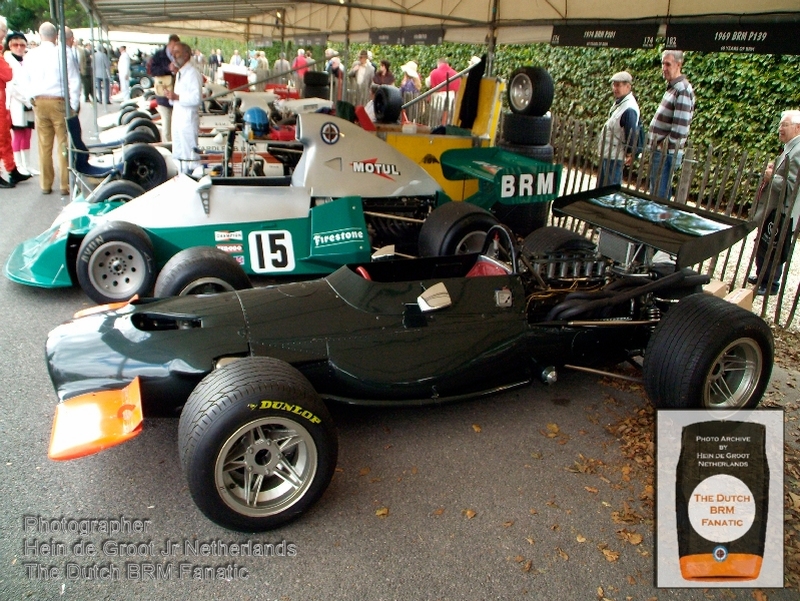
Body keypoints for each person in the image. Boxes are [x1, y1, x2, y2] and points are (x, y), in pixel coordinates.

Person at [25, 21, 80, 195]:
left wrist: (30, 100)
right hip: (59, 101)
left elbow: (25, 81)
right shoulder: (64, 53)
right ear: (56, 36)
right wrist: (74, 104)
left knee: (44, 145)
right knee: (63, 144)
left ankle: (46, 184)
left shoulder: (30, 55)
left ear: (40, 36)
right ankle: (65, 184)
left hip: (40, 102)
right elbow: (74, 80)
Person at [750, 110, 800, 296]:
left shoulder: (798, 149)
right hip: (775, 206)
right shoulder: (791, 146)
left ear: (797, 127)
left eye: (784, 125)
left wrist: (773, 178)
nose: (780, 128)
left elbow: (794, 186)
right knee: (765, 240)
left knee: (775, 243)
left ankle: (771, 283)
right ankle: (762, 276)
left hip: (784, 208)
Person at [646, 49, 695, 199]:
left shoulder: (682, 89)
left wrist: (667, 148)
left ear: (679, 64)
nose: (664, 68)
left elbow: (680, 128)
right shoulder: (673, 87)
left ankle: (657, 223)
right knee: (656, 192)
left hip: (665, 153)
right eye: (663, 64)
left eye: (668, 64)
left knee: (659, 197)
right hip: (660, 151)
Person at [165, 42, 203, 175]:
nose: (173, 56)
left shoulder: (193, 73)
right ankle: (182, 177)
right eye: (172, 53)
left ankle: (192, 179)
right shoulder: (180, 73)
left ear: (186, 55)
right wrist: (171, 96)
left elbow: (196, 98)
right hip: (178, 119)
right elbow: (177, 99)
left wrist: (176, 97)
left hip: (187, 121)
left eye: (177, 52)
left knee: (190, 157)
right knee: (179, 154)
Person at [597, 71, 640, 187]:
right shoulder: (621, 103)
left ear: (628, 86)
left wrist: (630, 153)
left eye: (618, 85)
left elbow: (630, 131)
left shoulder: (629, 107)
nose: (615, 88)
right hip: (609, 152)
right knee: (603, 187)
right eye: (614, 85)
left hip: (615, 154)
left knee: (611, 187)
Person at [4, 30, 38, 176]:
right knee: (18, 134)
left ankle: (27, 164)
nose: (19, 47)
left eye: (22, 45)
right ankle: (18, 165)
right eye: (15, 45)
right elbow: (11, 86)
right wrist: (26, 99)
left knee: (27, 134)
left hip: (28, 102)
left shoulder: (26, 60)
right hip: (17, 103)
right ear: (10, 46)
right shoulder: (8, 61)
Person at [147, 34, 180, 142]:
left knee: (176, 126)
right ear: (170, 44)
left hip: (177, 96)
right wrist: (167, 69)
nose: (175, 49)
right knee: (166, 126)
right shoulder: (158, 56)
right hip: (163, 96)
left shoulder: (178, 56)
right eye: (174, 46)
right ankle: (169, 148)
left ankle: (174, 146)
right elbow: (151, 71)